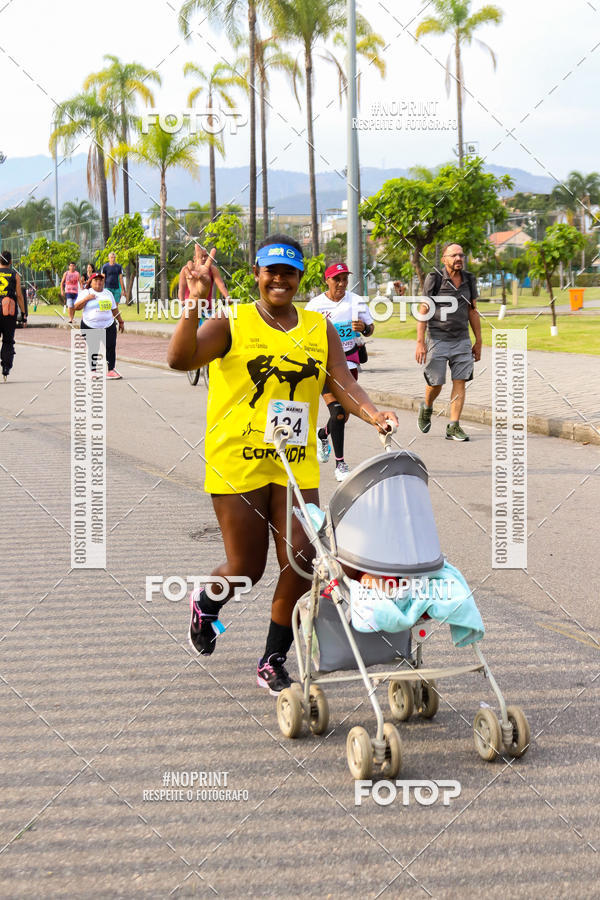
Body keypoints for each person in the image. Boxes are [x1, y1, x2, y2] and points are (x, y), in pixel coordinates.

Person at [167, 235, 397, 694]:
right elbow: (180, 358)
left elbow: (342, 381)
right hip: (238, 460)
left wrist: (374, 414)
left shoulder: (319, 327)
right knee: (245, 568)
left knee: (303, 559)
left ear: (299, 278)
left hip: (294, 462)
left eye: (288, 272)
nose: (279, 279)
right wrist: (194, 304)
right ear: (257, 273)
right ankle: (205, 603)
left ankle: (273, 657)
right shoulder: (232, 321)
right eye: (271, 271)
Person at [305, 262, 375, 481]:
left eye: (345, 278)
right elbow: (304, 335)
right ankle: (341, 464)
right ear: (327, 280)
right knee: (338, 412)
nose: (342, 283)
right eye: (337, 279)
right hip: (324, 367)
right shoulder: (315, 305)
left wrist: (364, 328)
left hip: (349, 366)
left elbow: (371, 328)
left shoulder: (356, 301)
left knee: (341, 417)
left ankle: (323, 434)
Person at [415, 243, 482, 442]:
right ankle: (427, 407)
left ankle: (453, 426)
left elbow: (472, 310)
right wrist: (420, 341)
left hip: (461, 339)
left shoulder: (469, 279)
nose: (458, 258)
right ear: (444, 259)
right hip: (437, 338)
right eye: (454, 255)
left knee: (460, 381)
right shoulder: (434, 278)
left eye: (461, 255)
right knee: (436, 383)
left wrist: (478, 340)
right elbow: (424, 309)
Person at [74, 272, 125, 379]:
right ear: (91, 282)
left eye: (101, 280)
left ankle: (111, 370)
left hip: (108, 324)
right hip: (90, 325)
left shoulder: (108, 293)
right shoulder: (86, 292)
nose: (99, 282)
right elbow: (76, 307)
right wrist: (86, 299)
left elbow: (114, 309)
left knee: (111, 347)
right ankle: (93, 371)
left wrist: (120, 321)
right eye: (95, 280)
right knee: (94, 348)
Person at [178, 245, 229, 315]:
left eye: (206, 256)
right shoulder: (186, 269)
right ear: (194, 258)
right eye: (201, 256)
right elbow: (181, 288)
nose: (203, 258)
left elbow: (221, 285)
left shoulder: (213, 269)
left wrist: (227, 297)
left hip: (207, 308)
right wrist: (181, 300)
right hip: (190, 306)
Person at [0, 250, 26, 381]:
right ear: (10, 262)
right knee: (8, 340)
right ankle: (6, 366)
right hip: (8, 311)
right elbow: (20, 296)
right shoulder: (14, 275)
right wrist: (24, 314)